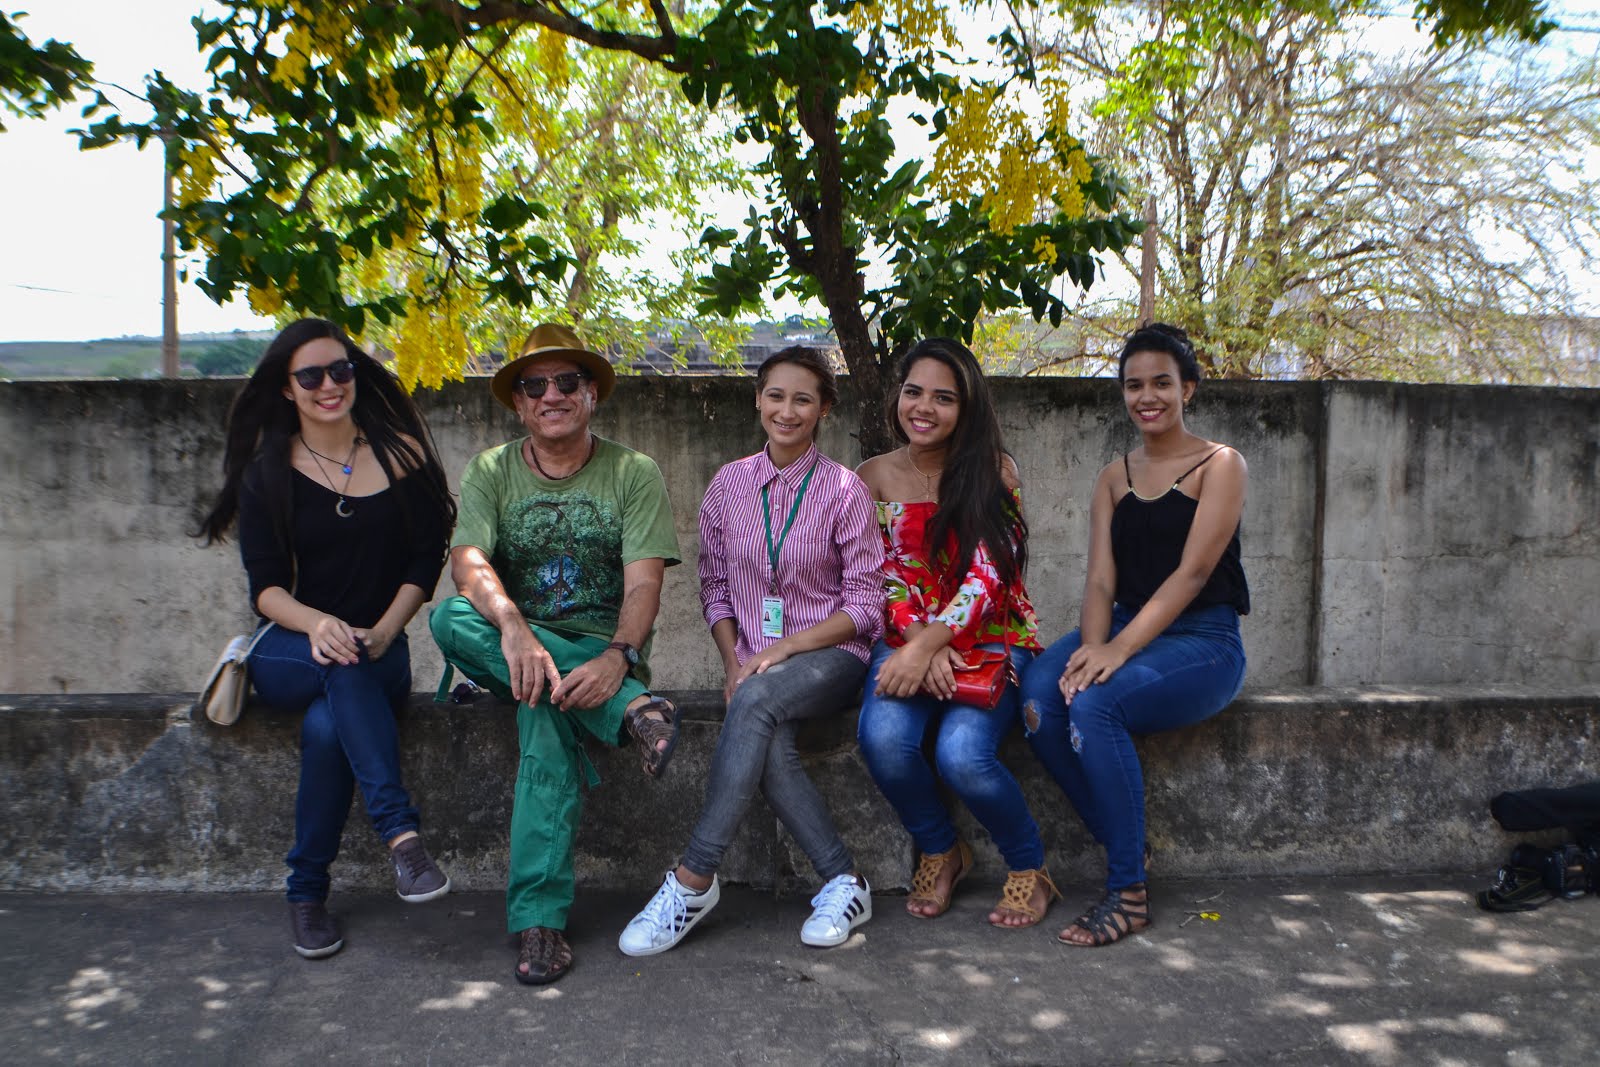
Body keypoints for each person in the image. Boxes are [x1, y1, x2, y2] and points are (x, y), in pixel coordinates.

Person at [429, 322, 681, 986]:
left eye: (566, 381)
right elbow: (467, 565)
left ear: (591, 392)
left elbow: (646, 581)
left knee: (540, 716)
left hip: (605, 653)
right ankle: (634, 713)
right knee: (450, 617)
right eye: (534, 385)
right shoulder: (491, 468)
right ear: (519, 403)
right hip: (509, 641)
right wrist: (512, 623)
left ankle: (540, 924)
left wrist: (621, 656)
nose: (551, 394)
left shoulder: (634, 472)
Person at [196, 317, 457, 960]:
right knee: (337, 667)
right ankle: (403, 841)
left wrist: (385, 629)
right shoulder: (269, 474)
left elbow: (426, 560)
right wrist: (318, 625)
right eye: (309, 376)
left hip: (379, 652)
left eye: (339, 370)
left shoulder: (402, 454)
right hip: (290, 649)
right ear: (287, 389)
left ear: (354, 373)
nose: (328, 386)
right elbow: (265, 590)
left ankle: (306, 894)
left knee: (326, 724)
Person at [618, 347, 885, 956]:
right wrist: (734, 661)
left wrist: (780, 651)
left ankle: (692, 879)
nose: (786, 411)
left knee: (759, 696)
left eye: (803, 399)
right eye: (775, 396)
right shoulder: (727, 485)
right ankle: (845, 879)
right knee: (767, 734)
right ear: (758, 399)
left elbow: (865, 607)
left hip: (831, 653)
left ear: (822, 409)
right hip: (755, 662)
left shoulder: (844, 490)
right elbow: (714, 589)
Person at [1019, 322, 1249, 947]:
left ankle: (1127, 893)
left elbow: (1195, 572)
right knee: (1042, 696)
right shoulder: (1113, 475)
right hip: (1122, 624)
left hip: (1202, 639)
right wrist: (1092, 649)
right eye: (1133, 385)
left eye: (1162, 383)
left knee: (1095, 705)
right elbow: (1099, 581)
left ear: (1189, 389)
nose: (1147, 396)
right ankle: (1128, 845)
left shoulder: (1220, 464)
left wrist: (1115, 655)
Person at [854, 338, 1055, 929]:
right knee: (885, 740)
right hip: (905, 634)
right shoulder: (870, 477)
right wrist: (916, 641)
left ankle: (1028, 867)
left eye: (944, 398)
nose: (924, 407)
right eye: (914, 392)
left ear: (966, 408)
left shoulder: (995, 470)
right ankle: (943, 850)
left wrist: (931, 644)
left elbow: (992, 573)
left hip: (990, 636)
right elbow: (881, 576)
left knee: (963, 755)